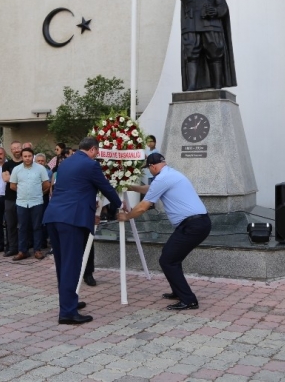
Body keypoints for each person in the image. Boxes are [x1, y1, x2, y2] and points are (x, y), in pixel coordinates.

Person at [44, 137, 122, 325]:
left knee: (63, 264)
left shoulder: (65, 163)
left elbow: (74, 188)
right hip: (72, 220)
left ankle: (69, 302)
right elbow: (106, 188)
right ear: (93, 150)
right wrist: (120, 204)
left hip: (53, 215)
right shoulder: (91, 165)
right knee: (72, 265)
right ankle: (68, 313)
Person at [121, 153, 211, 310]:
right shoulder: (169, 174)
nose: (149, 172)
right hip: (197, 223)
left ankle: (189, 300)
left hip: (192, 225)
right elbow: (148, 188)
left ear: (153, 167)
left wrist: (126, 216)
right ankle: (178, 291)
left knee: (168, 260)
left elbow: (143, 207)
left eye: (149, 169)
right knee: (170, 256)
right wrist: (130, 187)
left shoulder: (162, 179)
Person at [148, 0, 236, 91]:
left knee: (215, 55)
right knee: (191, 56)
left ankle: (217, 86)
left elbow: (223, 7)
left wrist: (216, 11)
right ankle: (192, 86)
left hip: (211, 27)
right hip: (191, 28)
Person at [10, 147, 50, 261]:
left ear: (33, 157)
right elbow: (12, 185)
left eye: (29, 156)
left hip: (36, 202)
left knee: (37, 227)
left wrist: (36, 191)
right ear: (22, 157)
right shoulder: (16, 169)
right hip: (22, 202)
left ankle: (37, 250)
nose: (27, 158)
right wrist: (23, 191)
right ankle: (22, 251)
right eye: (25, 156)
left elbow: (46, 184)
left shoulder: (40, 169)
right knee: (22, 227)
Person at [1, 141, 23, 257]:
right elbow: (5, 178)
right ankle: (12, 247)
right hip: (10, 198)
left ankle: (22, 248)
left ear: (21, 148)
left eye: (18, 148)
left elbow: (10, 178)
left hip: (23, 199)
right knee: (11, 224)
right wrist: (21, 180)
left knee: (23, 225)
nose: (16, 150)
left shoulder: (26, 163)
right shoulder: (6, 164)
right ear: (11, 150)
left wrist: (12, 178)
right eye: (14, 148)